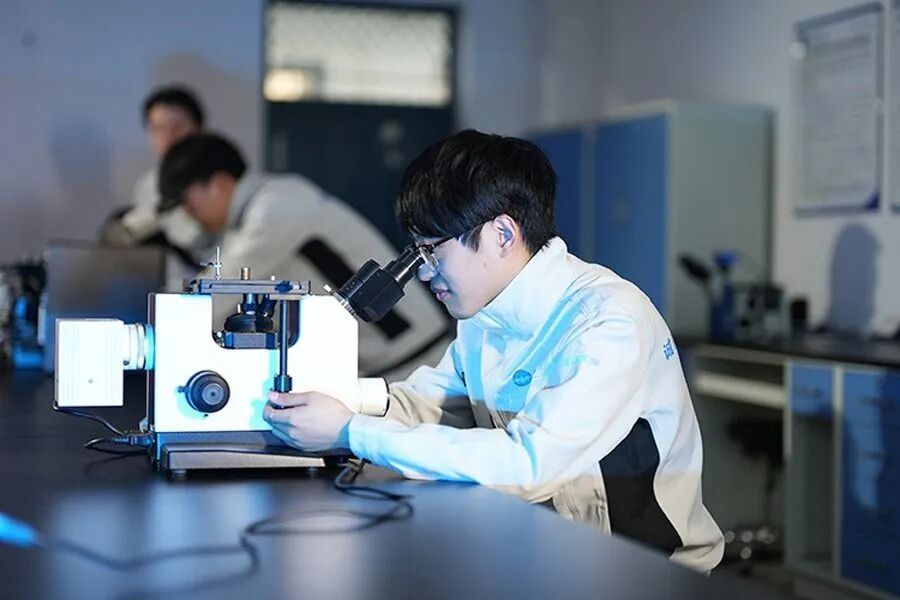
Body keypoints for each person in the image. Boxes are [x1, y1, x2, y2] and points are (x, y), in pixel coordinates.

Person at [263, 129, 725, 573]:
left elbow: (528, 465)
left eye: (432, 251)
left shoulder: (609, 323)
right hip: (549, 551)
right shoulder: (484, 316)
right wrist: (338, 400)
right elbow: (432, 403)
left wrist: (350, 430)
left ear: (502, 234)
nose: (423, 273)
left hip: (642, 571)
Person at [157, 131, 451, 380]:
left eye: (188, 203)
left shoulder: (277, 207)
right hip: (386, 366)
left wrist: (163, 330)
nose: (188, 214)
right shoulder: (263, 210)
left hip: (415, 362)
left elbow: (225, 285)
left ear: (220, 184)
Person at [100, 85, 209, 269]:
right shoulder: (147, 184)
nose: (168, 136)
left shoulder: (217, 180)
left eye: (177, 127)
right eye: (158, 128)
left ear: (198, 129)